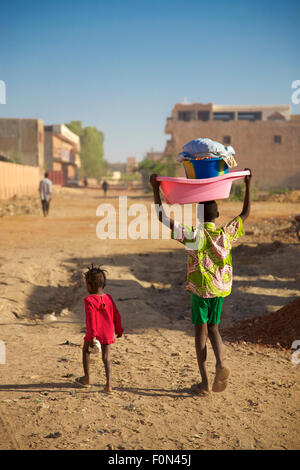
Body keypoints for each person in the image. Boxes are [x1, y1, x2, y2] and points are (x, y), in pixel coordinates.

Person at [150, 169, 252, 395]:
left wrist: (155, 189)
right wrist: (247, 184)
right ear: (217, 214)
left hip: (200, 290)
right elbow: (245, 213)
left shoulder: (193, 235)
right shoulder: (225, 234)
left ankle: (205, 383)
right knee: (215, 328)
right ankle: (221, 363)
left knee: (200, 333)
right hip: (220, 290)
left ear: (198, 216)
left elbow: (162, 218)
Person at [75, 264, 124, 392]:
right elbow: (116, 314)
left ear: (89, 285)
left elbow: (91, 320)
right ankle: (108, 385)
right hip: (108, 332)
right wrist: (119, 329)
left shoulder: (89, 300)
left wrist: (92, 336)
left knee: (86, 351)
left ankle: (86, 378)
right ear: (103, 284)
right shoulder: (108, 298)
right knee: (106, 357)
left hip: (94, 332)